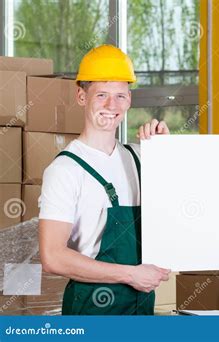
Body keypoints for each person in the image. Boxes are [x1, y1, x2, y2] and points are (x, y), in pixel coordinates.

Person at [39, 45, 169, 315]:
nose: (112, 106)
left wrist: (166, 153)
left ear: (129, 100)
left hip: (141, 309)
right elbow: (52, 257)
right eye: (102, 95)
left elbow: (184, 209)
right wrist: (130, 275)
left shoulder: (141, 157)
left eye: (120, 95)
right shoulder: (65, 170)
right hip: (91, 312)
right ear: (81, 96)